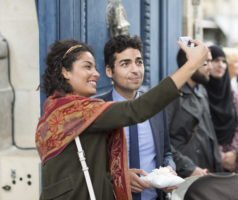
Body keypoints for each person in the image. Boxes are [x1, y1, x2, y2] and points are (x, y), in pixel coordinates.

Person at [35, 38, 209, 200]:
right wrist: (191, 65)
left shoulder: (59, 110)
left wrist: (120, 175)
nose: (96, 74)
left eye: (95, 67)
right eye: (87, 67)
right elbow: (137, 109)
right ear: (65, 71)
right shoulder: (78, 112)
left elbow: (83, 168)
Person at [94, 35, 176, 200]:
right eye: (125, 64)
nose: (135, 70)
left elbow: (166, 152)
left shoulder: (156, 107)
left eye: (139, 62)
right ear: (109, 71)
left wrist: (169, 170)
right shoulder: (97, 109)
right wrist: (118, 178)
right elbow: (89, 166)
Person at [166, 48, 223, 178]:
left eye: (210, 61)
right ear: (189, 64)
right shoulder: (172, 94)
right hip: (184, 176)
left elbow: (209, 134)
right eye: (205, 62)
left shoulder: (201, 91)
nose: (210, 67)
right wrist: (188, 167)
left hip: (205, 172)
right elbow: (162, 141)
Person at [204, 45, 238, 173]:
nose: (221, 65)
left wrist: (233, 152)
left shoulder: (232, 93)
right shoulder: (201, 93)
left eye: (224, 61)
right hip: (207, 159)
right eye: (216, 60)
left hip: (232, 161)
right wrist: (219, 155)